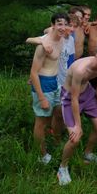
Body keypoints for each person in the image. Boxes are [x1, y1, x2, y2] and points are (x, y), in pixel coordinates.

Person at [57, 41, 97, 185]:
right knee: (75, 137)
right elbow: (74, 99)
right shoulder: (80, 69)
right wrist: (78, 125)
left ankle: (88, 153)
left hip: (88, 94)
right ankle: (62, 168)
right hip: (70, 97)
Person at [28, 12, 68, 164]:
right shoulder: (44, 45)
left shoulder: (61, 36)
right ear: (53, 25)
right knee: (41, 121)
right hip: (44, 84)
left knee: (59, 111)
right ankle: (41, 155)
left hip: (56, 82)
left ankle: (55, 140)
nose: (62, 27)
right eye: (59, 23)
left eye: (65, 24)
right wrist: (41, 97)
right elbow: (33, 72)